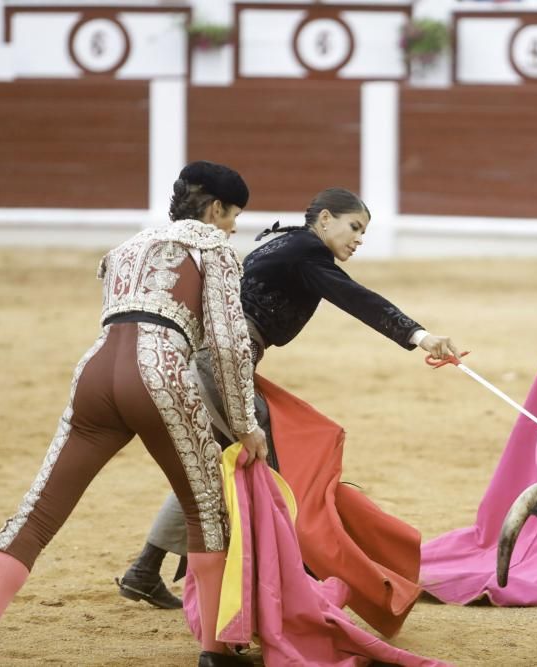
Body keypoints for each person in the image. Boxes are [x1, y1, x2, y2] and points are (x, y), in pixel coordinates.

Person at [0, 161, 268, 667]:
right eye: (234, 216)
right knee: (206, 514)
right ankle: (215, 651)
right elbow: (229, 347)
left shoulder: (124, 249)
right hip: (161, 372)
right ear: (214, 210)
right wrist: (245, 425)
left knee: (37, 511)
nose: (233, 227)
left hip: (95, 373)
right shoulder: (214, 248)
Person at [116, 187, 460, 616]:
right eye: (354, 227)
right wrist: (420, 335)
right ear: (326, 219)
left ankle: (146, 571)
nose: (358, 239)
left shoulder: (287, 241)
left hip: (210, 359)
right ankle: (293, 577)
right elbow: (357, 300)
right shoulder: (307, 250)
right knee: (271, 465)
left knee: (217, 466)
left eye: (364, 233)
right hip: (220, 362)